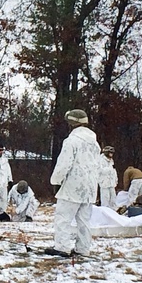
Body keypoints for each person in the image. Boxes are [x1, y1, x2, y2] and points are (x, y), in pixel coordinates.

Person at [48, 109, 101, 258]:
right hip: (90, 187)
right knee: (84, 221)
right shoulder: (95, 143)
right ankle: (83, 248)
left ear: (72, 123)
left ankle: (62, 247)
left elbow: (64, 164)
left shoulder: (72, 141)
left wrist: (56, 181)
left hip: (73, 185)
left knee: (63, 218)